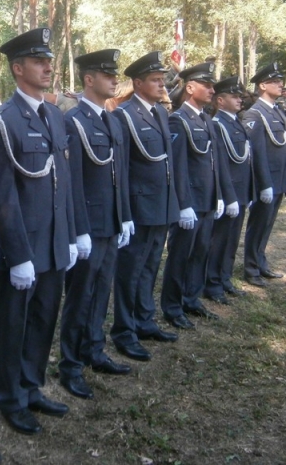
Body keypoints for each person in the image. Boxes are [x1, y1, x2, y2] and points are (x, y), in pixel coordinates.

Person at [0, 27, 77, 436]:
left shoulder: (55, 116)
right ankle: (10, 397)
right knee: (14, 323)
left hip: (55, 241)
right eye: (39, 61)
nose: (48, 67)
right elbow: (3, 194)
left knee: (44, 318)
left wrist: (72, 235)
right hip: (23, 247)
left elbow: (65, 183)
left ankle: (32, 385)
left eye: (49, 60)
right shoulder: (3, 121)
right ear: (17, 68)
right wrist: (17, 254)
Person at [59, 49, 133, 401]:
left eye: (114, 74)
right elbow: (71, 181)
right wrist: (78, 230)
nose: (114, 79)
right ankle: (70, 364)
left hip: (111, 222)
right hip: (89, 225)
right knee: (79, 296)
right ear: (89, 79)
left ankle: (94, 349)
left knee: (101, 291)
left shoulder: (113, 120)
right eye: (107, 74)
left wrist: (126, 215)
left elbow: (120, 174)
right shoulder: (73, 122)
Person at [110, 52, 180, 360]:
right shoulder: (123, 116)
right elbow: (120, 170)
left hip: (160, 204)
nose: (161, 84)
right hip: (139, 206)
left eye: (162, 79)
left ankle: (144, 319)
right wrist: (124, 213)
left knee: (151, 264)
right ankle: (124, 331)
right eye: (154, 79)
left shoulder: (160, 114)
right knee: (130, 269)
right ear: (137, 83)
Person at [161, 62, 228, 328]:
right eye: (207, 85)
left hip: (208, 200)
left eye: (213, 85)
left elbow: (213, 162)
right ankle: (173, 306)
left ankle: (191, 298)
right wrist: (183, 204)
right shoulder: (178, 120)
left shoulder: (205, 119)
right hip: (191, 202)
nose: (212, 90)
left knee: (200, 251)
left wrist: (219, 195)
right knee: (180, 255)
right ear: (190, 88)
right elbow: (178, 167)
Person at [242, 63, 286, 287]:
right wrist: (263, 184)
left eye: (279, 81)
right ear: (262, 85)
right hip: (267, 181)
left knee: (268, 224)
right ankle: (251, 268)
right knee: (259, 223)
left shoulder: (275, 110)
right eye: (274, 82)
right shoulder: (255, 114)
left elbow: (285, 146)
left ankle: (261, 261)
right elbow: (256, 153)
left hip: (279, 178)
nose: (280, 85)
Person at [205, 76, 252, 302]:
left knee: (232, 239)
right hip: (228, 193)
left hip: (240, 191)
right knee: (219, 239)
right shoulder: (218, 125)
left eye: (239, 96)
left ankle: (224, 277)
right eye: (234, 96)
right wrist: (227, 196)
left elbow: (244, 161)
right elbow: (221, 165)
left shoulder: (234, 121)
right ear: (220, 101)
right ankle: (212, 282)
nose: (240, 100)